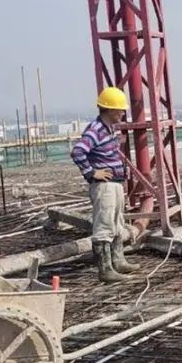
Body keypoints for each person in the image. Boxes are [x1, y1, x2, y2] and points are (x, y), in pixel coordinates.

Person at [70, 86, 137, 283]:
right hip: (104, 186)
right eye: (120, 110)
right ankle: (105, 269)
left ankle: (118, 261)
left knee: (116, 223)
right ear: (109, 109)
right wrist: (92, 173)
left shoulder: (109, 129)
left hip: (114, 184)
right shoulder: (96, 130)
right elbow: (78, 152)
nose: (122, 113)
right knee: (105, 225)